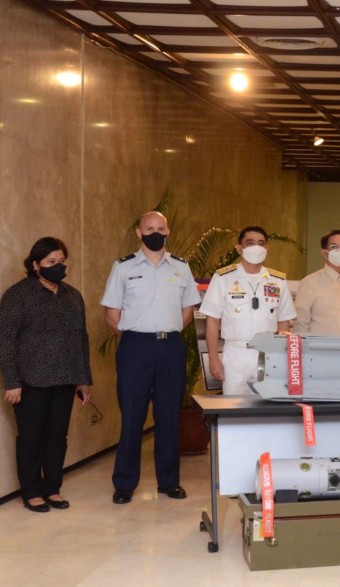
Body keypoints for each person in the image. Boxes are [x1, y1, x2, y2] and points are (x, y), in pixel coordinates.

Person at [101, 211, 201, 505]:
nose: (154, 232)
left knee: (169, 416)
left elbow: (187, 312)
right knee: (132, 417)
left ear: (167, 231)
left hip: (170, 346)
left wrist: (164, 332)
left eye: (160, 228)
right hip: (135, 347)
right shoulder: (123, 267)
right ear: (139, 233)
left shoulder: (181, 267)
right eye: (149, 228)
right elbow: (112, 314)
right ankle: (124, 484)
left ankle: (169, 481)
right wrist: (136, 336)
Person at [0, 237, 92, 513]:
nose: (58, 266)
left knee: (57, 437)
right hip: (30, 380)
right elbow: (5, 341)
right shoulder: (18, 295)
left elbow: (81, 339)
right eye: (51, 261)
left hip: (65, 379)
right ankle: (31, 492)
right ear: (36, 265)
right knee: (31, 438)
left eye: (62, 261)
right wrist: (12, 382)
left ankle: (52, 488)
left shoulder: (72, 296)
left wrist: (83, 380)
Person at [199, 226, 296, 394]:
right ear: (239, 248)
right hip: (235, 355)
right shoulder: (223, 278)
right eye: (250, 243)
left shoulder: (278, 281)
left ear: (267, 248)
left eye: (261, 243)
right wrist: (213, 359)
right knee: (233, 406)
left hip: (268, 355)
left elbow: (284, 323)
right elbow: (212, 321)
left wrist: (282, 359)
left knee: (267, 405)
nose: (256, 247)